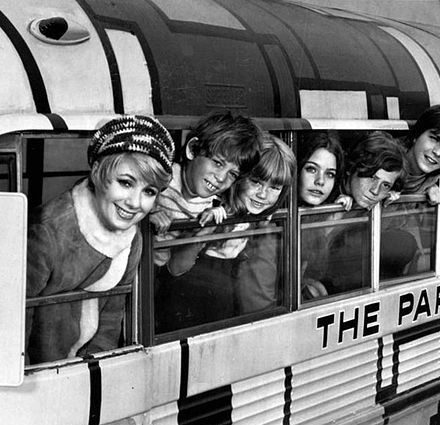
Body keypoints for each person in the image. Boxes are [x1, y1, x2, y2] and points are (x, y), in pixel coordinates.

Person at [26, 115, 174, 364]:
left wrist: (97, 366)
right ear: (96, 172)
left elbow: (111, 318)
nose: (135, 203)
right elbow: (13, 329)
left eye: (149, 191)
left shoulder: (133, 237)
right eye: (125, 183)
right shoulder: (46, 233)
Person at [157, 134, 296, 329]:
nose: (263, 194)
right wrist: (210, 226)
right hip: (192, 286)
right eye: (256, 182)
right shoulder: (213, 206)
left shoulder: (257, 216)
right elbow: (176, 267)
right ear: (238, 178)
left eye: (274, 187)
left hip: (226, 287)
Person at [150, 111, 262, 271]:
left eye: (232, 174)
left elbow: (178, 268)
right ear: (193, 149)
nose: (222, 178)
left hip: (160, 272)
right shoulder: (162, 179)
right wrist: (147, 216)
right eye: (217, 163)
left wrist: (211, 222)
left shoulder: (216, 201)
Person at [309, 131, 405, 297]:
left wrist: (390, 206)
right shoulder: (323, 189)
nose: (375, 191)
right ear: (352, 169)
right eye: (371, 178)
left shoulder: (373, 200)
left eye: (386, 185)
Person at [381, 104, 440, 277]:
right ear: (417, 135)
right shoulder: (385, 159)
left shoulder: (430, 179)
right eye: (434, 138)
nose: (438, 152)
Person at [296, 131, 352, 299]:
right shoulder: (273, 216)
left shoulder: (326, 214)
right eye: (311, 169)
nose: (320, 181)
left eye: (330, 174)